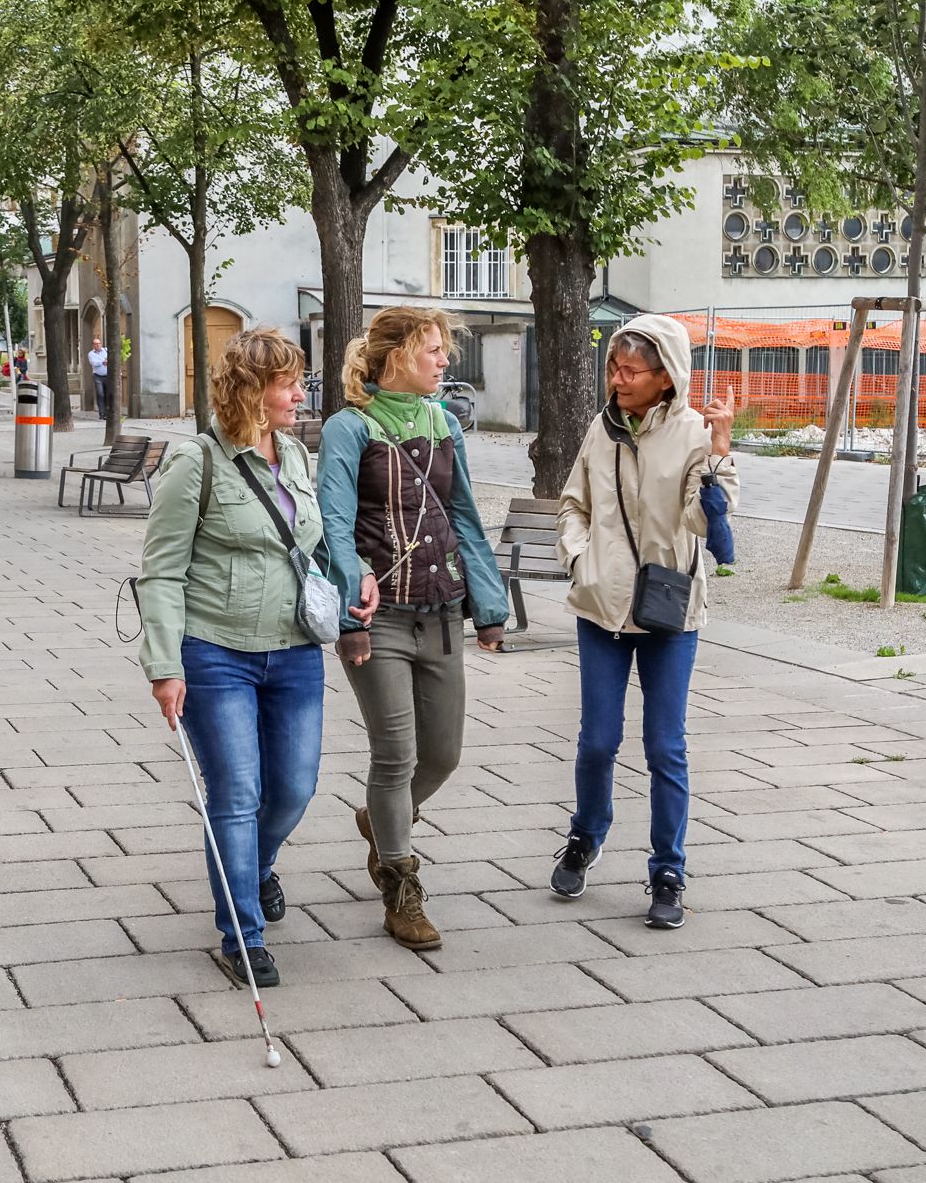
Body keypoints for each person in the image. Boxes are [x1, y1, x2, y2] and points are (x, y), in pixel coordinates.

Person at [139, 328, 369, 987]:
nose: (301, 393)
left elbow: (314, 546)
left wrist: (355, 586)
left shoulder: (294, 453)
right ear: (250, 390)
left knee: (293, 788)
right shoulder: (196, 463)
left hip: (294, 650)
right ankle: (241, 931)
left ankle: (256, 863)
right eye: (288, 383)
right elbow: (160, 572)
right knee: (237, 795)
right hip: (215, 653)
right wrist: (165, 664)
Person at [319, 307, 509, 950]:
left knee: (444, 755)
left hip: (442, 610)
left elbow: (465, 519)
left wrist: (488, 606)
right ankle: (401, 887)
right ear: (397, 355)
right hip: (382, 618)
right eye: (433, 349)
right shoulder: (347, 429)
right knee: (395, 754)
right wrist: (351, 608)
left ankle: (382, 818)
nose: (444, 359)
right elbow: (334, 527)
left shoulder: (445, 422)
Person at [551, 314, 736, 930]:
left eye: (632, 370)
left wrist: (718, 454)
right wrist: (581, 559)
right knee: (598, 739)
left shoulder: (692, 435)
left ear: (666, 378)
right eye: (614, 367)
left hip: (669, 612)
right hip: (601, 605)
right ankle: (585, 837)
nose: (618, 379)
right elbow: (573, 504)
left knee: (666, 747)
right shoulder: (598, 431)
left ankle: (668, 870)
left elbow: (706, 523)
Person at [88, 335, 112, 422]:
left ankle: (107, 413)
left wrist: (107, 362)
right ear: (93, 346)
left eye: (98, 343)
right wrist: (103, 362)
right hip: (98, 376)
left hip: (107, 376)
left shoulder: (106, 350)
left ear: (101, 344)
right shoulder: (91, 354)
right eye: (95, 344)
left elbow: (111, 359)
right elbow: (94, 363)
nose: (97, 345)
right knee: (100, 394)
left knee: (107, 394)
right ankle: (102, 413)